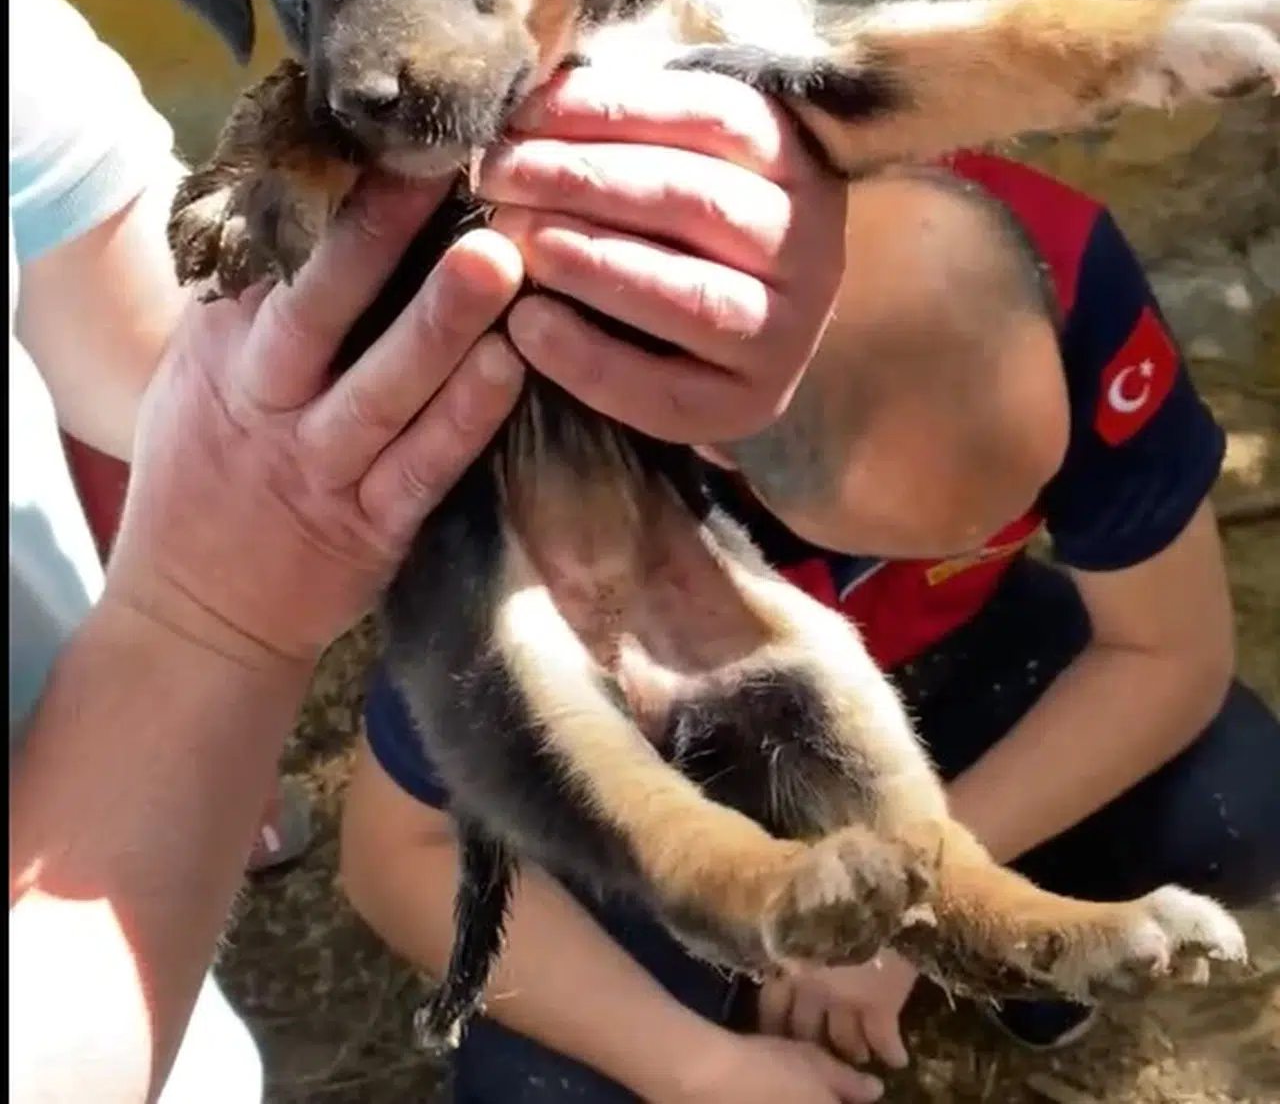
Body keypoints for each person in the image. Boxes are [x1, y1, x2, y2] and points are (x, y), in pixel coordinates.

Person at [8, 0, 849, 1100]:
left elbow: (181, 362)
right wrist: (215, 617)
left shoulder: (15, 67)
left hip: (161, 985)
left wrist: (667, 290)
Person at [340, 148, 1280, 1104]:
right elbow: (394, 854)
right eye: (919, 532)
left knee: (1236, 803)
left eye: (1019, 502)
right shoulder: (556, 453)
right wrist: (698, 1068)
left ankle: (1005, 946)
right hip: (676, 767)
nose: (1008, 529)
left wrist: (921, 907)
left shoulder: (1063, 269)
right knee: (548, 1091)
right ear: (720, 448)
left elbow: (1169, 650)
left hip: (941, 678)